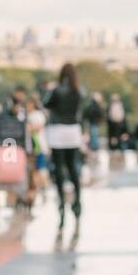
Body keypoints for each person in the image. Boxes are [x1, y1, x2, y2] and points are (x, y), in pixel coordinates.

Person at [43, 63, 85, 240]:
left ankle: (61, 202)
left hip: (57, 130)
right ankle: (77, 202)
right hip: (73, 130)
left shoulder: (56, 90)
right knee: (72, 167)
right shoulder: (78, 90)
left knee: (59, 167)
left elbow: (46, 104)